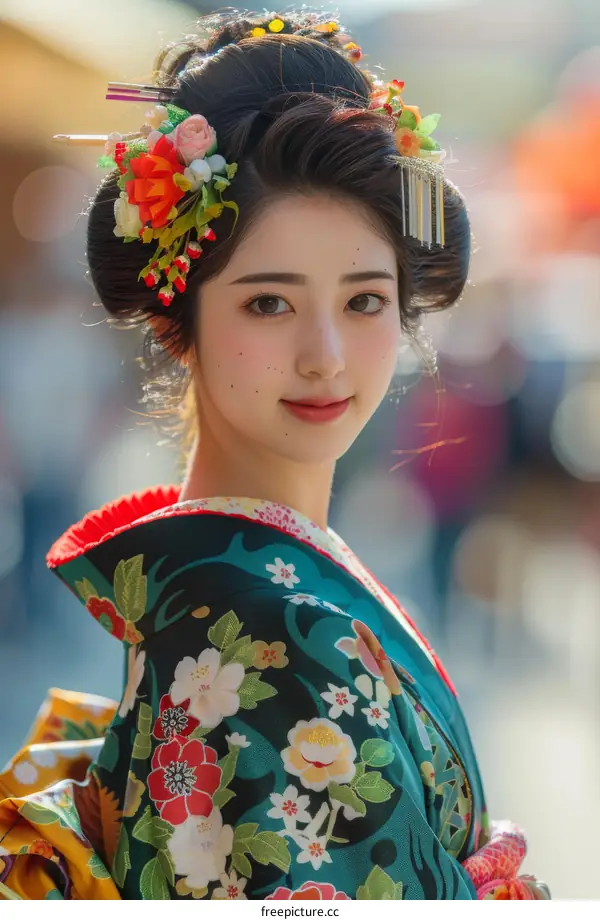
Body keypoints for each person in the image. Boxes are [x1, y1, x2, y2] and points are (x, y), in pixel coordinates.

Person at [0, 8, 550, 901]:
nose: (326, 354)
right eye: (268, 303)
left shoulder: (245, 582)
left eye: (366, 301)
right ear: (180, 325)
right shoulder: (261, 626)